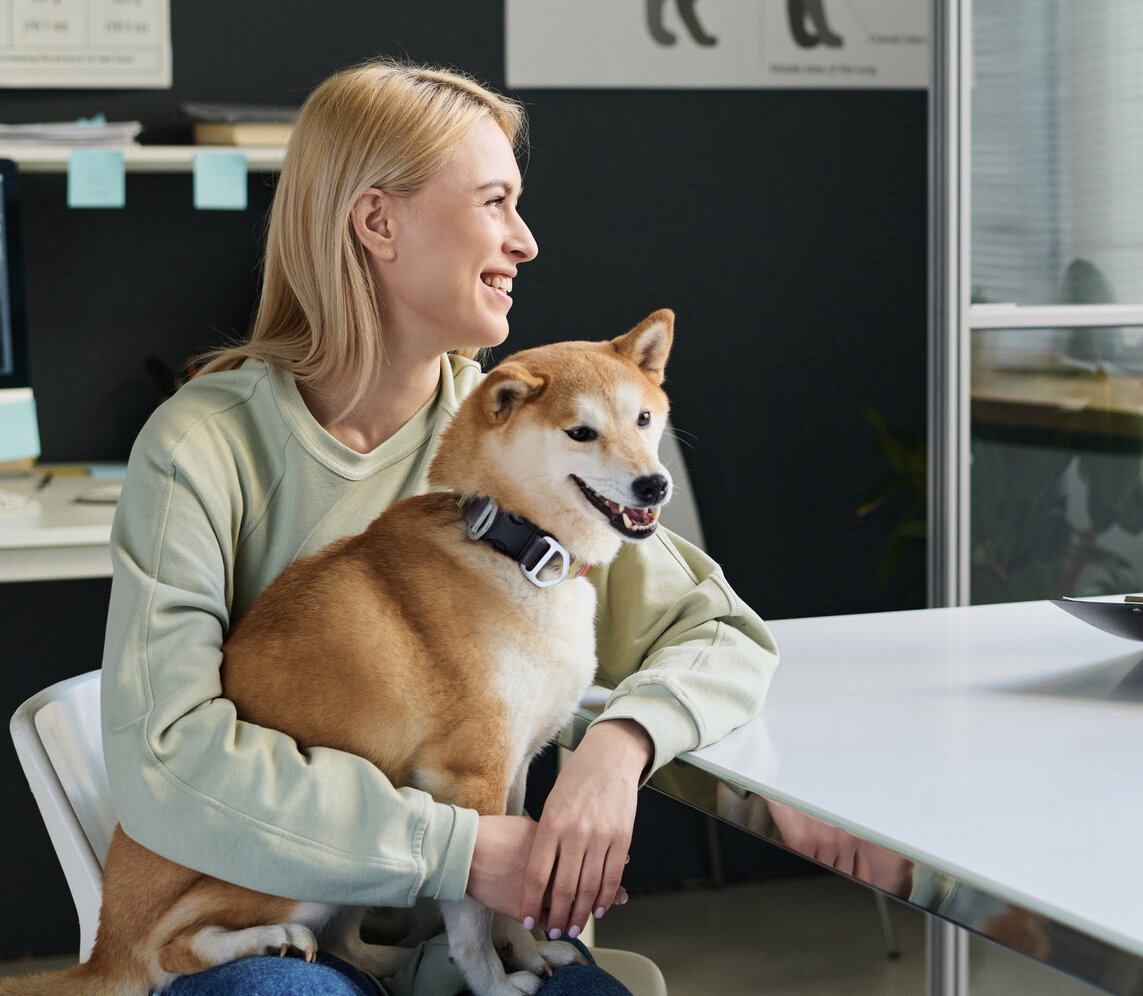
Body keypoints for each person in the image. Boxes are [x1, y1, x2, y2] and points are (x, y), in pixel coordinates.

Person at [99, 61, 779, 995]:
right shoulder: (202, 446)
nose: (526, 241)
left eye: (520, 204)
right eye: (495, 203)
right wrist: (452, 848)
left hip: (468, 940)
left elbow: (725, 636)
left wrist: (618, 745)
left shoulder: (524, 439)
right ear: (378, 223)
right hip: (283, 929)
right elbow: (165, 758)